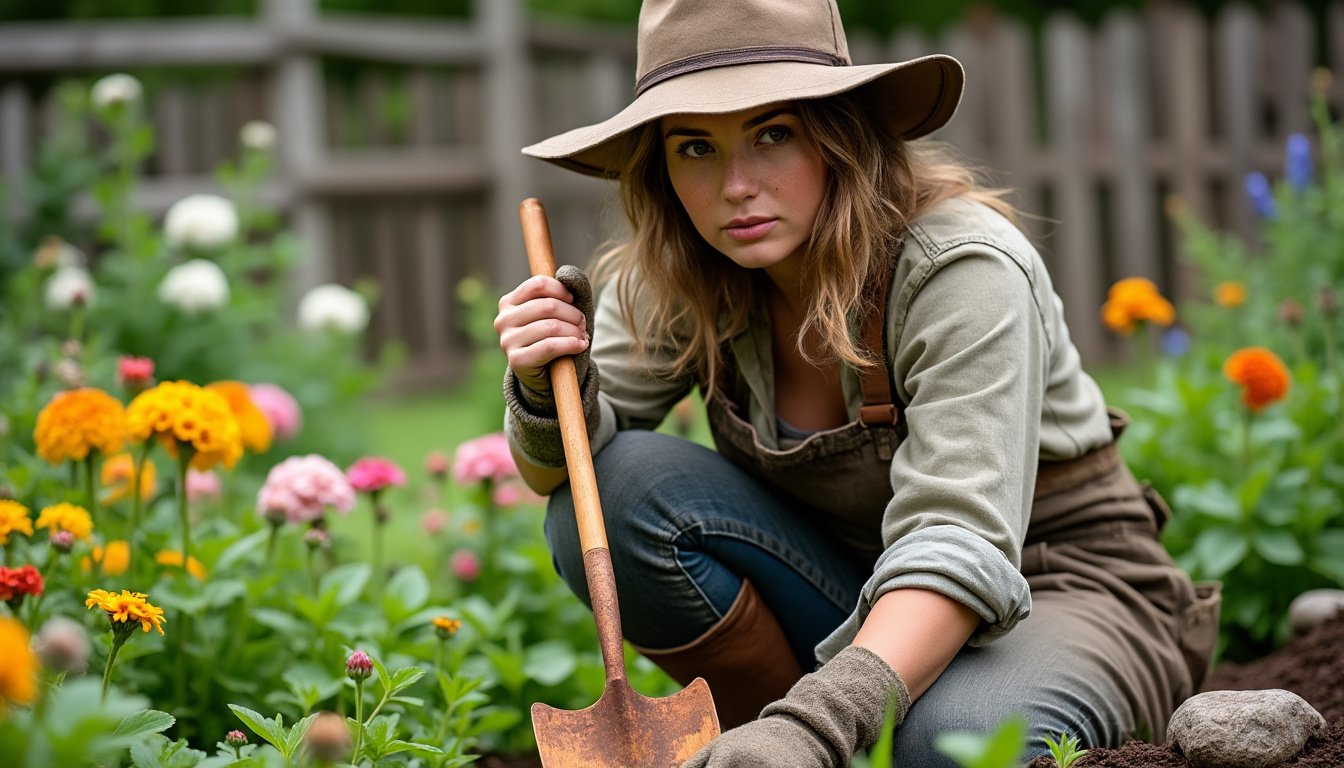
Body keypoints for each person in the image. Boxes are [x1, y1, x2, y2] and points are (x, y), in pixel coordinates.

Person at [494, 0, 1221, 765]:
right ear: (661, 165)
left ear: (840, 133)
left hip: (1056, 585)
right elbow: (564, 477)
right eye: (696, 147)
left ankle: (811, 737)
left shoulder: (959, 270)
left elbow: (959, 544)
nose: (736, 185)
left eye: (773, 133)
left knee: (954, 747)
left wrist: (810, 727)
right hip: (854, 586)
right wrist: (544, 391)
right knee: (616, 489)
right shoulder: (677, 272)